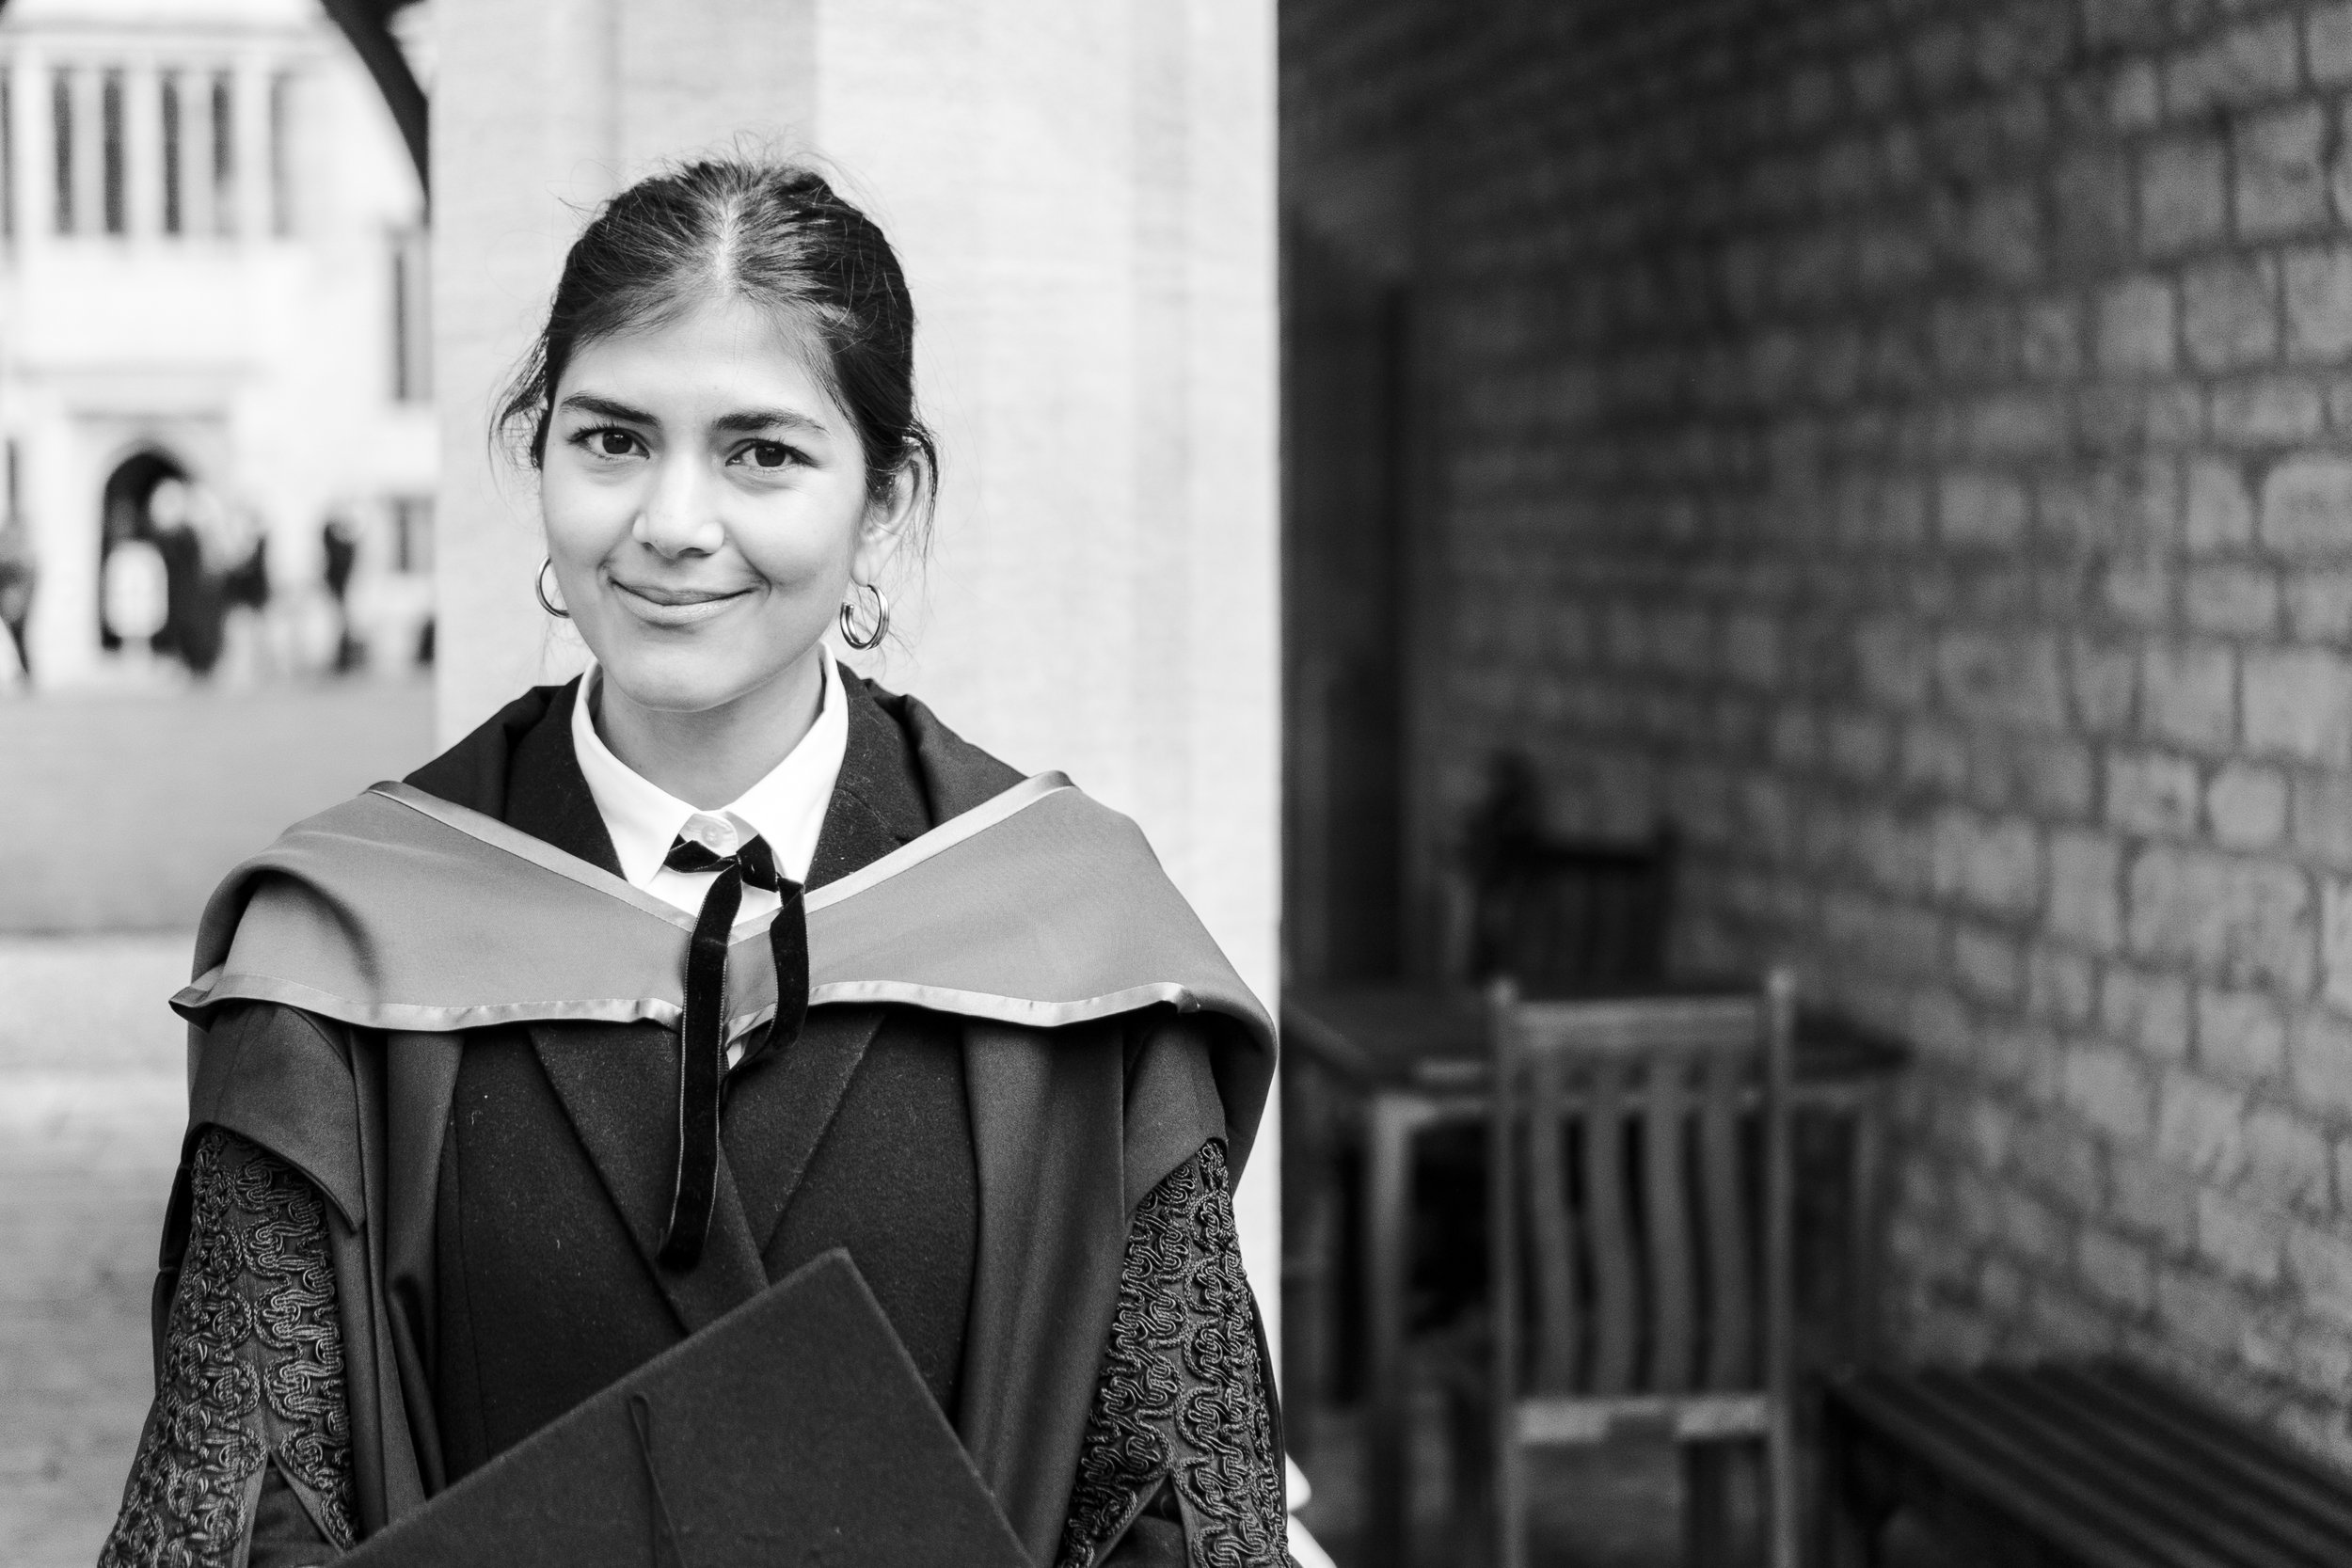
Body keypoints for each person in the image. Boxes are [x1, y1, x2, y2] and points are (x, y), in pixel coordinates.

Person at [100, 159, 1290, 1568]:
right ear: (538, 454)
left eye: (761, 451)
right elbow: (245, 1516)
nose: (672, 522)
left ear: (887, 498)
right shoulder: (346, 951)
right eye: (610, 441)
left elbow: (1171, 1515)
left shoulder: (1069, 943)